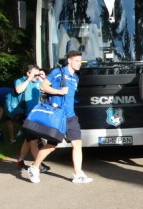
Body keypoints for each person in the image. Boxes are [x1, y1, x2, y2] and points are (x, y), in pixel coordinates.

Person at [26, 50, 93, 184]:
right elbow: (43, 86)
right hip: (58, 116)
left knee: (77, 144)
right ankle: (34, 167)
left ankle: (78, 174)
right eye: (77, 61)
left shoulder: (76, 78)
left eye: (80, 61)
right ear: (69, 61)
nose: (80, 63)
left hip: (71, 116)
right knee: (52, 146)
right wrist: (58, 91)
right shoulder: (58, 72)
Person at [14, 65, 50, 172]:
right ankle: (39, 165)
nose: (37, 76)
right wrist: (29, 79)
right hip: (27, 117)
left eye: (38, 74)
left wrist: (43, 78)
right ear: (28, 73)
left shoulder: (38, 82)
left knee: (28, 140)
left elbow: (49, 88)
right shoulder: (20, 81)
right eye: (35, 74)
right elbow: (18, 90)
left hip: (37, 116)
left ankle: (20, 161)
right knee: (33, 141)